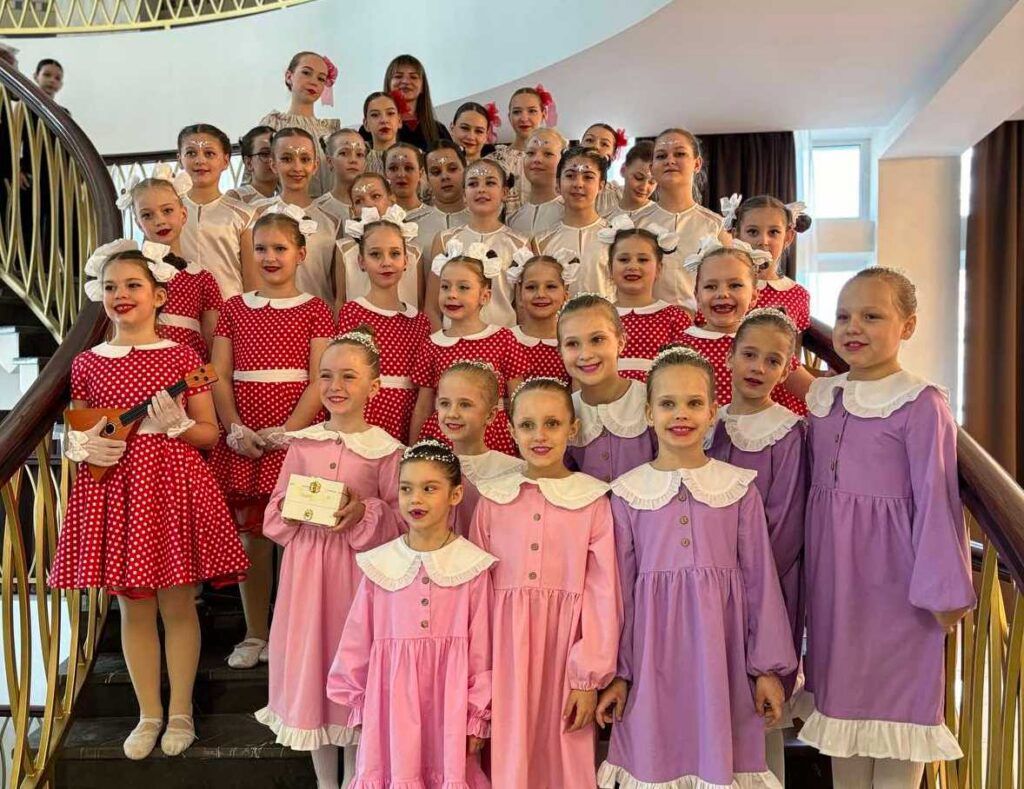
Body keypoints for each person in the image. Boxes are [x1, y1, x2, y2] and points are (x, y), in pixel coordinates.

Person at [49, 241, 249, 760]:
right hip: (117, 488)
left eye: (133, 285)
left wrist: (178, 425)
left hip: (171, 485)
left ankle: (180, 711)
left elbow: (210, 432)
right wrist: (79, 446)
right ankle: (148, 713)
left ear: (159, 296)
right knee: (133, 605)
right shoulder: (87, 363)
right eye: (111, 286)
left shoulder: (183, 357)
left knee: (178, 603)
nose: (121, 294)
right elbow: (82, 427)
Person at [799, 267, 976, 789]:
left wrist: (944, 592)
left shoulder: (921, 404)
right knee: (843, 724)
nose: (853, 327)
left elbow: (937, 499)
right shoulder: (824, 400)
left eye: (872, 316)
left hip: (898, 593)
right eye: (843, 316)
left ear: (908, 326)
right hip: (836, 592)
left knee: (901, 718)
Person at [596, 345, 795, 788]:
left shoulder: (738, 490)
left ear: (712, 413)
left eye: (693, 403)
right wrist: (619, 674)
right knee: (655, 760)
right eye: (668, 403)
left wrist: (766, 669)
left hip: (722, 659)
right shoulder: (628, 494)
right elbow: (619, 595)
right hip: (652, 662)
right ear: (648, 413)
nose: (680, 414)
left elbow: (761, 584)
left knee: (718, 761)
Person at [256, 328, 402, 789]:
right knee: (312, 667)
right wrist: (290, 509)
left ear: (374, 386)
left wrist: (364, 512)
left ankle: (359, 776)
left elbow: (401, 520)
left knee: (353, 666)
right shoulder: (303, 445)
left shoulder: (387, 451)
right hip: (305, 577)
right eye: (325, 375)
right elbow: (273, 514)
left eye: (348, 376)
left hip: (357, 579)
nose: (335, 386)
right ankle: (324, 781)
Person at [470, 376, 621, 789]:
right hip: (504, 654)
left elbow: (603, 594)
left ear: (573, 428)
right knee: (509, 758)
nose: (540, 435)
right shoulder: (492, 500)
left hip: (565, 654)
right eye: (528, 425)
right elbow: (475, 598)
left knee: (564, 758)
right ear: (511, 430)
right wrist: (479, 682)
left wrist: (587, 678)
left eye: (552, 424)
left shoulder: (593, 501)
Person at [208, 212, 335, 671]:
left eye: (280, 248)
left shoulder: (315, 309)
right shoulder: (235, 308)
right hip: (246, 437)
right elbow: (220, 374)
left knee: (301, 538)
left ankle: (295, 632)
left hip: (298, 435)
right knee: (254, 538)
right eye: (261, 248)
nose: (270, 257)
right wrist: (234, 427)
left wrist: (291, 432)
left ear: (301, 253)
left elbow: (320, 378)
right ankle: (255, 631)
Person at [328, 440, 495, 787]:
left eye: (429, 488)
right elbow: (357, 640)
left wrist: (476, 715)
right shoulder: (380, 565)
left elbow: (482, 651)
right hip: (390, 706)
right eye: (406, 489)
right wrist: (360, 702)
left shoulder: (472, 567)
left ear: (455, 494)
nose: (415, 499)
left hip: (449, 708)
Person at [708, 307, 810, 783]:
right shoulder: (707, 423)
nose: (757, 367)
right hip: (711, 588)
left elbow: (786, 525)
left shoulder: (788, 434)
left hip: (766, 588)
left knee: (760, 704)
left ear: (786, 371)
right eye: (749, 354)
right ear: (729, 356)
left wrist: (746, 580)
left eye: (772, 361)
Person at [410, 241, 527, 454]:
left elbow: (518, 400)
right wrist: (412, 451)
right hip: (444, 437)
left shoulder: (503, 339)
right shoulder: (432, 344)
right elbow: (423, 406)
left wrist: (524, 446)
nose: (452, 294)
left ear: (485, 296)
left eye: (463, 287)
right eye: (445, 287)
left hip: (493, 436)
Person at [336, 211, 431, 443]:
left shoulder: (420, 321)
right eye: (375, 254)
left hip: (408, 418)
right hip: (366, 418)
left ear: (406, 260)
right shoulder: (352, 313)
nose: (386, 262)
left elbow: (424, 388)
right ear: (361, 261)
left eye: (394, 254)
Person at [123, 166, 222, 361]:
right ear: (138, 222)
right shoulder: (129, 272)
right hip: (141, 366)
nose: (159, 221)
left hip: (191, 370)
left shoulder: (201, 278)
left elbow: (214, 342)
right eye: (147, 215)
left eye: (167, 211)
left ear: (183, 214)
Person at [558, 293, 656, 483]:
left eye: (597, 339)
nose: (586, 354)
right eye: (572, 344)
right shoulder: (564, 410)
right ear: (560, 352)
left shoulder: (649, 400)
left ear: (621, 342)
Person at [426, 159, 528, 330]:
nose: (481, 189)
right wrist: (438, 341)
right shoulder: (446, 240)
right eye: (473, 184)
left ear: (504, 192)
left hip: (503, 339)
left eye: (490, 183)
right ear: (464, 194)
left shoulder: (519, 244)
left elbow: (522, 307)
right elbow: (432, 307)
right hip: (453, 338)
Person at [639, 128, 728, 309]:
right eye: (661, 156)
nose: (670, 161)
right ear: (651, 168)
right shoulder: (635, 224)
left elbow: (728, 281)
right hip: (644, 321)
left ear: (697, 164)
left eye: (679, 154)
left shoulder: (715, 225)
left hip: (701, 321)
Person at [250, 127, 340, 306]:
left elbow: (336, 284)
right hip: (268, 313)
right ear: (273, 164)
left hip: (319, 316)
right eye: (287, 159)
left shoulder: (332, 219)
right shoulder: (256, 213)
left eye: (305, 159)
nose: (297, 168)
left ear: (315, 165)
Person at [436, 362, 524, 536]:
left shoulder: (512, 471)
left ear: (490, 415)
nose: (452, 413)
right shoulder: (429, 467)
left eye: (465, 405)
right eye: (445, 403)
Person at [599, 219, 691, 381]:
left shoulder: (674, 317)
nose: (633, 266)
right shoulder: (599, 316)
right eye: (624, 259)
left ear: (659, 268)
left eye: (643, 260)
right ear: (610, 268)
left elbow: (686, 371)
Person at [176, 123, 257, 299]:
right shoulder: (168, 212)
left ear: (225, 161)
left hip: (229, 309)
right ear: (179, 159)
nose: (200, 160)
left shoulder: (245, 216)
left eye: (209, 154)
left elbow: (253, 283)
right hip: (178, 309)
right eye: (191, 153)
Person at [258, 51, 340, 198]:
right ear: (289, 76)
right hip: (287, 208)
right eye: (306, 73)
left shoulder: (330, 131)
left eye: (321, 78)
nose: (314, 82)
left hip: (329, 210)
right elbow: (259, 181)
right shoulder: (273, 124)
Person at [533, 146, 611, 298]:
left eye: (588, 177)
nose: (578, 184)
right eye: (570, 176)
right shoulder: (541, 242)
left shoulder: (616, 237)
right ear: (558, 184)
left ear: (601, 186)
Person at [729, 194, 814, 333]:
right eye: (752, 232)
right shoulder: (719, 286)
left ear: (788, 237)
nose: (763, 241)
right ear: (736, 236)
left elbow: (794, 345)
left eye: (773, 232)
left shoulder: (798, 295)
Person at [505, 248, 573, 384]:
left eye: (551, 286)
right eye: (531, 287)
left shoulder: (573, 341)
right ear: (519, 295)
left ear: (565, 295)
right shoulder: (506, 340)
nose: (540, 294)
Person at [362, 54, 452, 153]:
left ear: (423, 87)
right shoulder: (370, 129)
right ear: (388, 83)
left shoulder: (439, 131)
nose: (405, 81)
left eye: (413, 77)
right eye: (398, 76)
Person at [490, 85, 556, 213]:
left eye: (532, 111)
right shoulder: (496, 161)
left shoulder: (559, 158)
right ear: (509, 117)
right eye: (517, 112)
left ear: (544, 114)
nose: (524, 118)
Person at [383, 142, 447, 258]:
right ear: (385, 173)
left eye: (409, 168)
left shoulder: (441, 220)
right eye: (393, 168)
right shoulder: (376, 218)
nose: (401, 174)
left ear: (421, 173)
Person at [506, 128, 566, 238]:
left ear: (563, 161)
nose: (537, 159)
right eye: (530, 153)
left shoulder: (569, 214)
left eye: (548, 154)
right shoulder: (513, 220)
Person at [314, 129, 367, 228]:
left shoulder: (375, 205)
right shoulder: (318, 208)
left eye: (359, 155)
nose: (353, 160)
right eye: (343, 153)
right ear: (330, 161)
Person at [580, 122, 627, 216]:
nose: (595, 146)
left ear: (613, 155)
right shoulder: (561, 189)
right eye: (589, 140)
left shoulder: (620, 196)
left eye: (604, 144)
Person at [606, 141, 657, 221]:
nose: (644, 187)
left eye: (652, 182)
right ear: (623, 170)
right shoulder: (606, 216)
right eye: (638, 177)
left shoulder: (662, 217)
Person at [425, 140, 471, 227]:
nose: (444, 177)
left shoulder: (485, 219)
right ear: (427, 179)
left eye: (452, 169)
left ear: (466, 171)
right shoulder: (412, 225)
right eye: (436, 172)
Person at [227, 126, 278, 205]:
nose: (273, 160)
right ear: (249, 163)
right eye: (265, 154)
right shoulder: (235, 198)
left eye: (278, 153)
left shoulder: (286, 198)